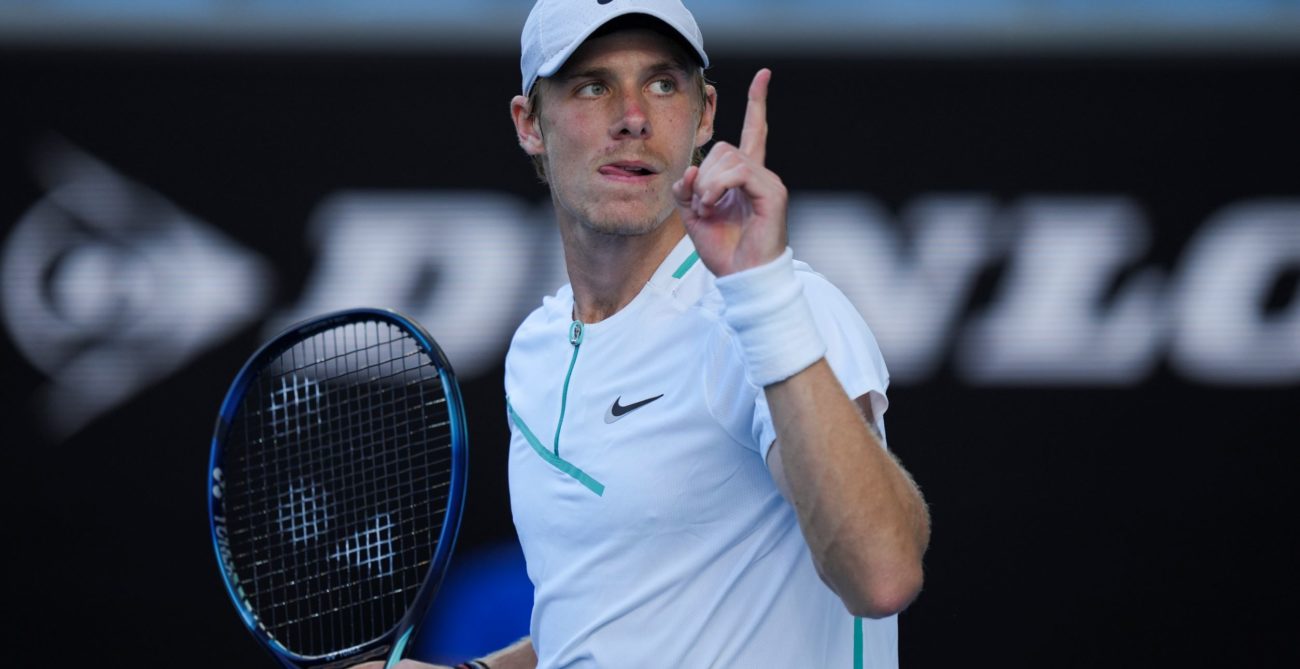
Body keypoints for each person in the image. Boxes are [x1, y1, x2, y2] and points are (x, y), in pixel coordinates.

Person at [364, 0, 929, 667]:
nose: (633, 116)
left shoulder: (784, 305)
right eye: (593, 85)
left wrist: (762, 293)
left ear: (705, 114)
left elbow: (882, 572)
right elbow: (611, 625)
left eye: (663, 84)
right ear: (530, 124)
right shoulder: (537, 351)